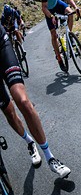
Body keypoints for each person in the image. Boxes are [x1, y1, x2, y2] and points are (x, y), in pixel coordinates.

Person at [0, 23, 71, 177]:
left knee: (23, 102)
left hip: (1, 47)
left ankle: (50, 158)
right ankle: (30, 142)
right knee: (9, 112)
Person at [40, 0, 81, 68]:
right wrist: (51, 16)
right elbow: (43, 7)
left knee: (70, 13)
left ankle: (68, 36)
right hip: (49, 9)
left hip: (56, 3)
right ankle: (59, 57)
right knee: (54, 34)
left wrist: (75, 7)